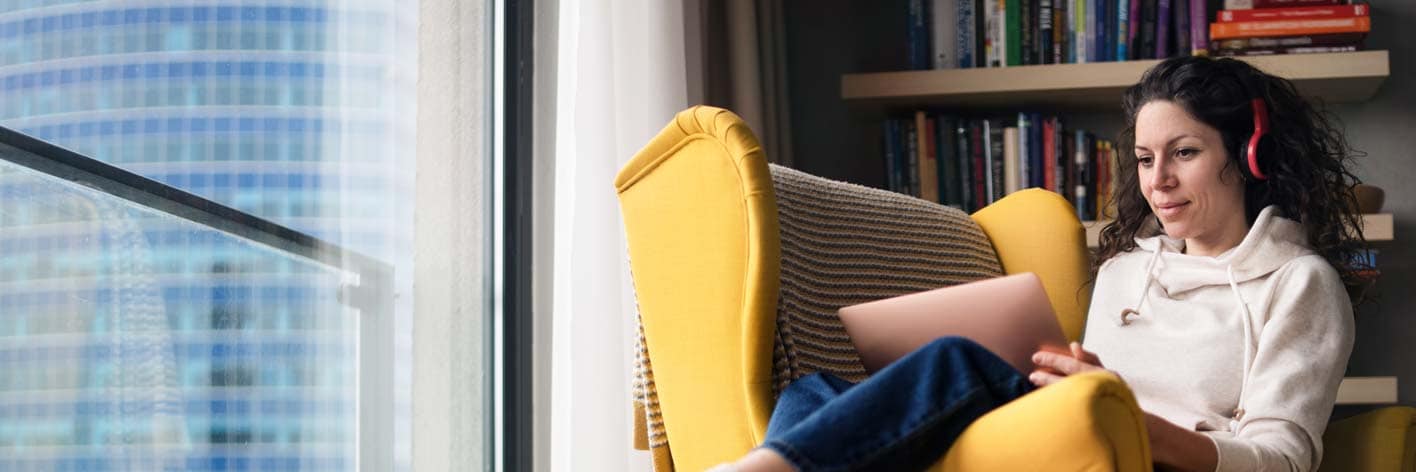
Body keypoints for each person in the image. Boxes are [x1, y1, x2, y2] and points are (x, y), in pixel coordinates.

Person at [714, 55, 1371, 472]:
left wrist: (1133, 421)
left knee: (957, 361)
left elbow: (1283, 459)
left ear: (1250, 155)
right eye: (1145, 159)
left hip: (1143, 457)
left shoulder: (1297, 284)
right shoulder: (1124, 272)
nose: (1159, 180)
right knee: (812, 392)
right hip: (1069, 440)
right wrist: (1079, 382)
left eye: (1185, 152)